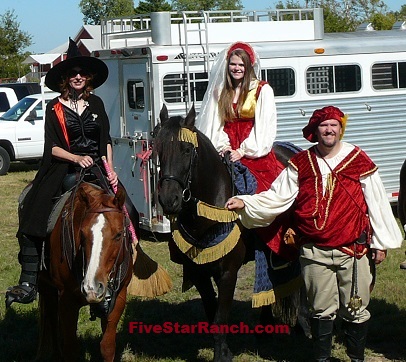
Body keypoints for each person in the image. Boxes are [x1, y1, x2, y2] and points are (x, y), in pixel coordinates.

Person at [225, 105, 403, 362]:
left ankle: (356, 359)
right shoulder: (301, 163)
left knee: (355, 309)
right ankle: (322, 359)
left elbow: (376, 202)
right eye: (323, 125)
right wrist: (247, 203)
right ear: (315, 130)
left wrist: (380, 242)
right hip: (314, 251)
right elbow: (279, 196)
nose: (329, 130)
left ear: (341, 129)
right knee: (320, 310)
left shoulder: (358, 159)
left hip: (353, 251)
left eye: (334, 125)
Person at [5, 39, 127, 308]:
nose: (78, 77)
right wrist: (76, 157)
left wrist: (111, 170)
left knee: (125, 216)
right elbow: (52, 147)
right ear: (65, 78)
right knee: (33, 210)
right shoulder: (54, 108)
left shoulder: (96, 104)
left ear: (89, 77)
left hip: (97, 170)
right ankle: (29, 280)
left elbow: (105, 140)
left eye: (82, 73)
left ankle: (119, 278)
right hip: (63, 168)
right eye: (73, 73)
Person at [196, 41, 279, 193]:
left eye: (241, 65)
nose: (237, 68)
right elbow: (215, 123)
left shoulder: (262, 89)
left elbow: (264, 126)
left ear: (248, 66)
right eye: (233, 64)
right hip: (225, 148)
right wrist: (224, 147)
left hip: (252, 150)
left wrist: (242, 151)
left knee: (260, 190)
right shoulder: (220, 91)